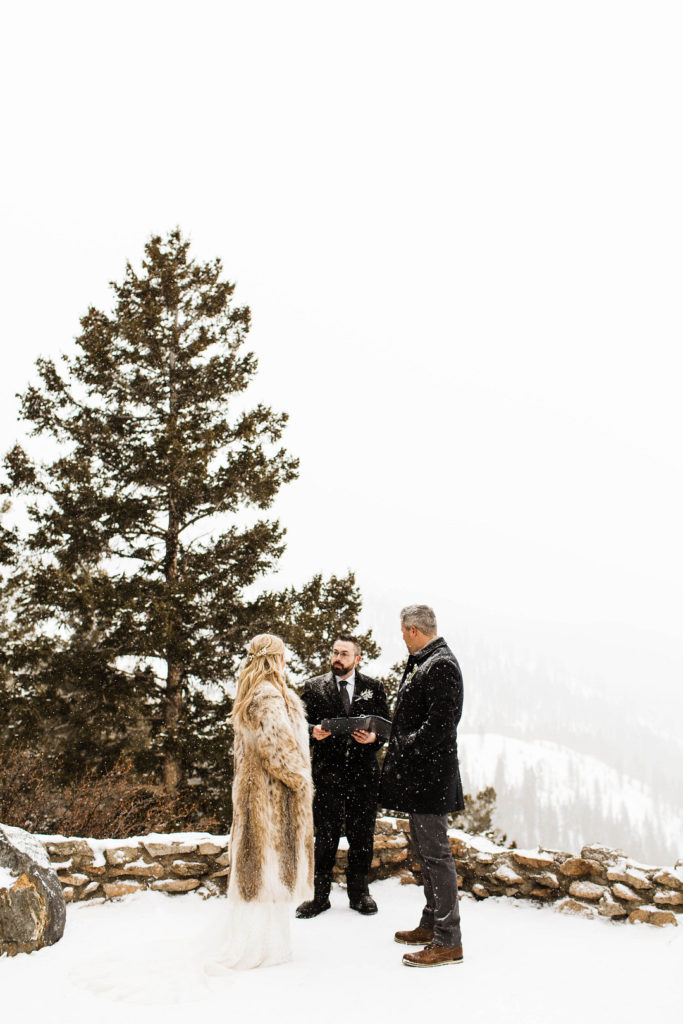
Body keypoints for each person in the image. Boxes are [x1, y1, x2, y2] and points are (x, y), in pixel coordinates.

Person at [213, 633, 314, 969]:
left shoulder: (253, 694)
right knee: (268, 873)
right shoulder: (269, 696)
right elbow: (277, 752)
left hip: (255, 795)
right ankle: (262, 949)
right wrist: (301, 780)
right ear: (276, 659)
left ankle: (265, 945)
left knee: (260, 873)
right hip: (272, 800)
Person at [380, 605, 465, 968]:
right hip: (421, 778)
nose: (401, 638)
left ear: (413, 630)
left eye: (402, 632)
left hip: (431, 779)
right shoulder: (427, 661)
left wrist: (405, 744)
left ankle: (448, 940)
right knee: (427, 855)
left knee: (437, 857)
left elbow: (441, 725)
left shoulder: (441, 664)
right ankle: (431, 923)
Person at [296, 635, 390, 918]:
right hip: (328, 774)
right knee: (324, 836)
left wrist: (371, 738)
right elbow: (298, 723)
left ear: (357, 659)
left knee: (362, 836)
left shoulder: (373, 687)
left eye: (344, 654)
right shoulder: (314, 687)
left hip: (363, 774)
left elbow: (385, 726)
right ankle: (319, 896)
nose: (337, 658)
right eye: (335, 652)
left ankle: (360, 894)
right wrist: (312, 731)